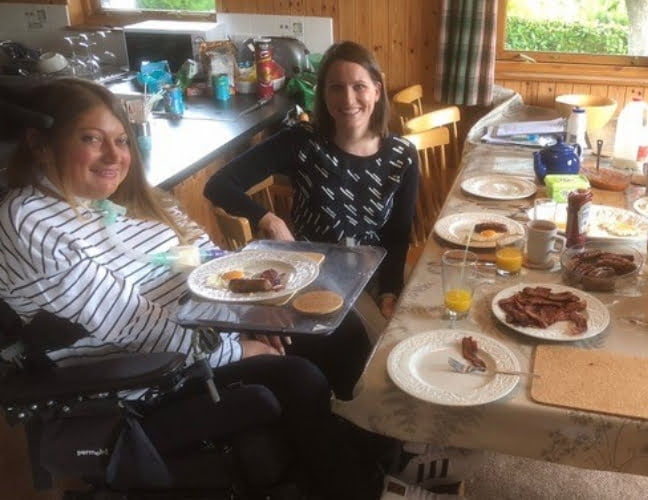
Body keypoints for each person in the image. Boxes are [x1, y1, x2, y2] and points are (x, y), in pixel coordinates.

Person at [0, 78, 383, 498]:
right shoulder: (30, 219)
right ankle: (352, 485)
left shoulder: (131, 199)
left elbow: (214, 259)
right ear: (39, 144)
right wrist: (235, 347)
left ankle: (370, 451)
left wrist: (254, 312)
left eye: (121, 140)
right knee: (299, 378)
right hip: (141, 374)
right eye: (91, 139)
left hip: (204, 331)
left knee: (341, 331)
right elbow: (132, 326)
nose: (114, 155)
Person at [205, 40, 419, 397]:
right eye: (336, 87)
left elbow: (398, 233)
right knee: (372, 351)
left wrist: (391, 289)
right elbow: (218, 184)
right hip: (310, 275)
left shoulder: (402, 155)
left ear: (377, 91)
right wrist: (268, 219)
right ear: (323, 94)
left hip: (372, 272)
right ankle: (361, 424)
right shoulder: (302, 141)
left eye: (359, 86)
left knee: (416, 335)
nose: (348, 100)